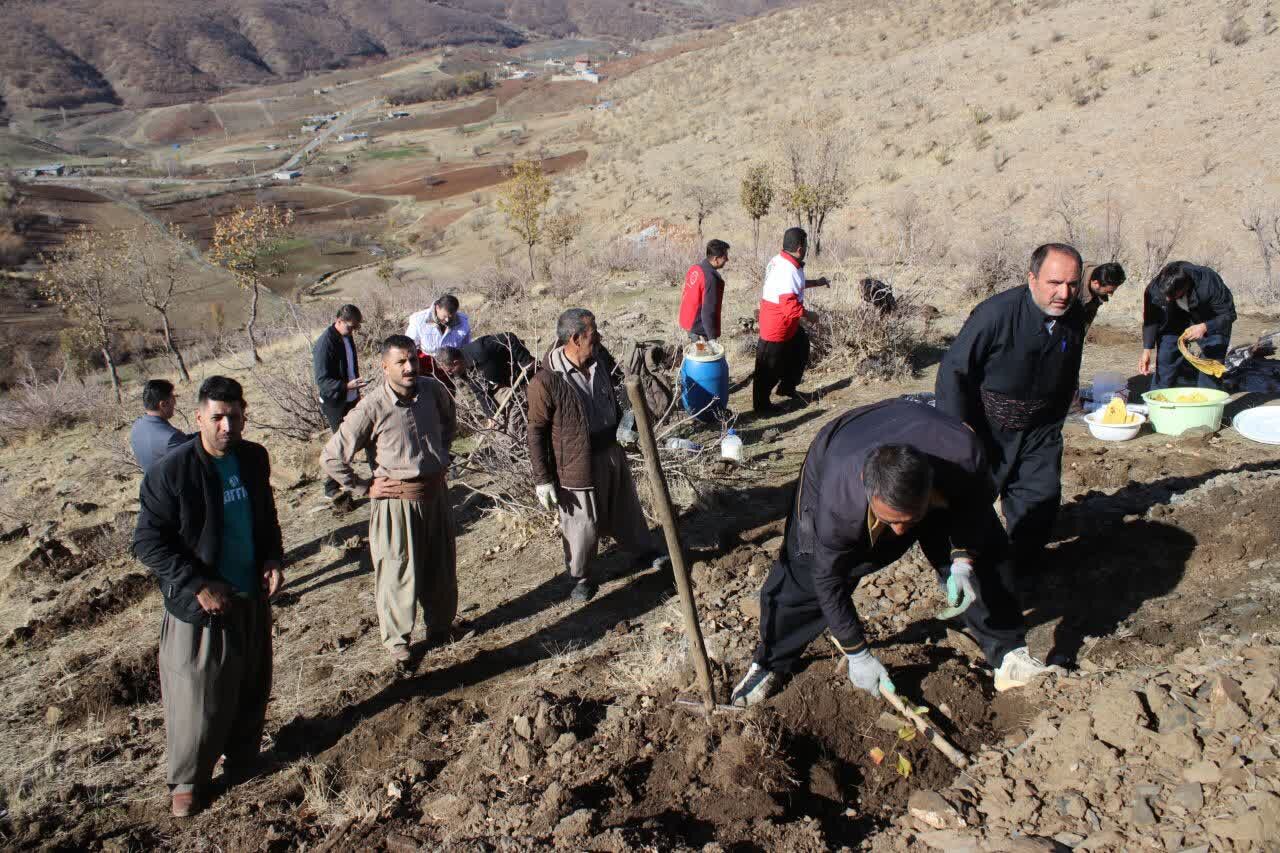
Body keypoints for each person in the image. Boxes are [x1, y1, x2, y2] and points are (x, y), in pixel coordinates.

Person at [729, 400, 1057, 707]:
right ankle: (771, 660)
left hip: (918, 443)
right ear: (868, 491)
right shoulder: (837, 509)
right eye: (890, 522)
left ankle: (1008, 653)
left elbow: (974, 507)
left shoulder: (964, 456)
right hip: (839, 447)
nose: (901, 534)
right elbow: (827, 579)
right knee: (803, 575)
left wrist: (962, 560)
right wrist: (858, 653)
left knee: (986, 552)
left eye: (910, 522)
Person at [132, 376, 285, 818]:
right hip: (200, 607)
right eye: (216, 417)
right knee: (197, 698)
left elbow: (266, 514)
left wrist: (273, 558)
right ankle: (188, 780)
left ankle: (243, 758)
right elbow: (147, 542)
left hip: (249, 595)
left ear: (244, 416)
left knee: (252, 684)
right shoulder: (172, 471)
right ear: (198, 416)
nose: (225, 426)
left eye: (233, 417)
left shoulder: (253, 459)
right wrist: (197, 584)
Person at [935, 243, 1086, 588]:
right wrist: (958, 429)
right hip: (988, 424)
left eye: (1072, 284)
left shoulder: (1074, 315)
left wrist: (1060, 413)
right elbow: (954, 370)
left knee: (1041, 498)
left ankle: (1021, 571)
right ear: (1032, 279)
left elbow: (1069, 364)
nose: (1064, 293)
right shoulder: (995, 314)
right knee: (971, 503)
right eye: (1054, 283)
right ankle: (963, 575)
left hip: (1040, 427)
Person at [320, 335, 458, 664]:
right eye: (401, 362)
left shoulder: (433, 390)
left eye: (412, 359)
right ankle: (398, 644)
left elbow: (450, 423)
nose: (410, 367)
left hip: (436, 494)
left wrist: (442, 454)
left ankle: (441, 628)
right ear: (385, 367)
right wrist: (364, 488)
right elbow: (332, 457)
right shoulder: (371, 406)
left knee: (441, 566)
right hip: (397, 502)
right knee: (398, 572)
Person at [527, 308, 665, 603]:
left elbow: (620, 392)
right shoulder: (546, 381)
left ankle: (642, 552)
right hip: (576, 463)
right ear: (576, 338)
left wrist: (627, 421)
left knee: (626, 509)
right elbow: (536, 431)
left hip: (611, 451)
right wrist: (543, 479)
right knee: (582, 525)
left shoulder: (600, 360)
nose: (599, 336)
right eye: (593, 332)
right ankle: (582, 577)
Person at [753, 227, 830, 415]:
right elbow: (789, 306)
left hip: (788, 325)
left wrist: (816, 282)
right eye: (806, 244)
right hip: (776, 326)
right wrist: (810, 315)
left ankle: (787, 387)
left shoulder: (784, 261)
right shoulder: (787, 269)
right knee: (768, 368)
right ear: (800, 248)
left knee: (801, 347)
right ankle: (762, 408)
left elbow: (795, 284)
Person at [1139, 261, 1236, 391]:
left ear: (1185, 286)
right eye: (1165, 295)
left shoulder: (1208, 283)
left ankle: (1206, 400)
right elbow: (1151, 319)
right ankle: (1159, 398)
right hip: (1176, 318)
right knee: (1166, 358)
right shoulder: (1155, 289)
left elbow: (1229, 315)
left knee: (1211, 362)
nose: (1167, 299)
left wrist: (1205, 327)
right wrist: (1147, 350)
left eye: (1172, 295)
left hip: (1208, 318)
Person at [312, 304, 374, 501]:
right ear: (338, 321)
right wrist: (347, 386)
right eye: (350, 326)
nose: (353, 331)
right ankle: (332, 486)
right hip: (335, 402)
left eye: (355, 328)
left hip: (351, 397)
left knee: (363, 435)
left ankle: (375, 474)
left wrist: (356, 389)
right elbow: (322, 381)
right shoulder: (325, 344)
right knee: (344, 442)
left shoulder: (346, 336)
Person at [435, 332, 536, 419]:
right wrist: (490, 415)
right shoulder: (464, 371)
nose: (449, 374)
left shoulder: (481, 349)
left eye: (449, 370)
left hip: (525, 375)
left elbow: (509, 337)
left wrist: (525, 360)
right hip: (505, 384)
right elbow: (480, 392)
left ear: (456, 362)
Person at [129, 379, 191, 474]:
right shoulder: (171, 437)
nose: (175, 402)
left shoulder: (136, 427)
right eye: (173, 398)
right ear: (163, 404)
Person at [678, 239, 730, 342]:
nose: (727, 259)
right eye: (725, 257)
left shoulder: (695, 268)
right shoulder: (710, 278)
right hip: (699, 329)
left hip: (687, 322)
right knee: (703, 357)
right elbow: (708, 311)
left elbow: (684, 291)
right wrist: (712, 339)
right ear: (716, 259)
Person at [406, 294, 471, 356]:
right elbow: (409, 346)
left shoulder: (463, 322)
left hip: (453, 361)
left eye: (450, 317)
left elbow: (466, 346)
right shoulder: (418, 320)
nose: (447, 320)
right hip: (427, 361)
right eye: (444, 316)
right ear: (437, 308)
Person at [1077, 261, 1126, 328]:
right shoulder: (1073, 279)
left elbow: (1087, 320)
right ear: (1096, 283)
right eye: (1109, 291)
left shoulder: (1102, 277)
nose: (1111, 295)